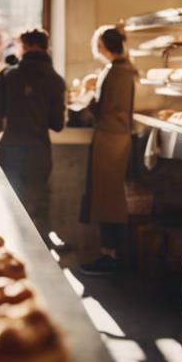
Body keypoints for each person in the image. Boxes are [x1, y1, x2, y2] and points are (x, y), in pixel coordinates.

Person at [0, 28, 66, 237]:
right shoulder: (56, 80)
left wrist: (3, 126)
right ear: (46, 47)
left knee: (9, 206)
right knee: (36, 208)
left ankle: (8, 255)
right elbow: (57, 124)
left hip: (11, 148)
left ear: (24, 46)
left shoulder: (8, 74)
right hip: (39, 151)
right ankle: (40, 262)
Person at [79, 25, 137, 275]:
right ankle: (114, 254)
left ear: (102, 45)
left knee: (107, 199)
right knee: (110, 198)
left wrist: (86, 100)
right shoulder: (127, 69)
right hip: (118, 136)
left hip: (110, 137)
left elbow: (102, 108)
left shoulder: (114, 72)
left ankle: (111, 256)